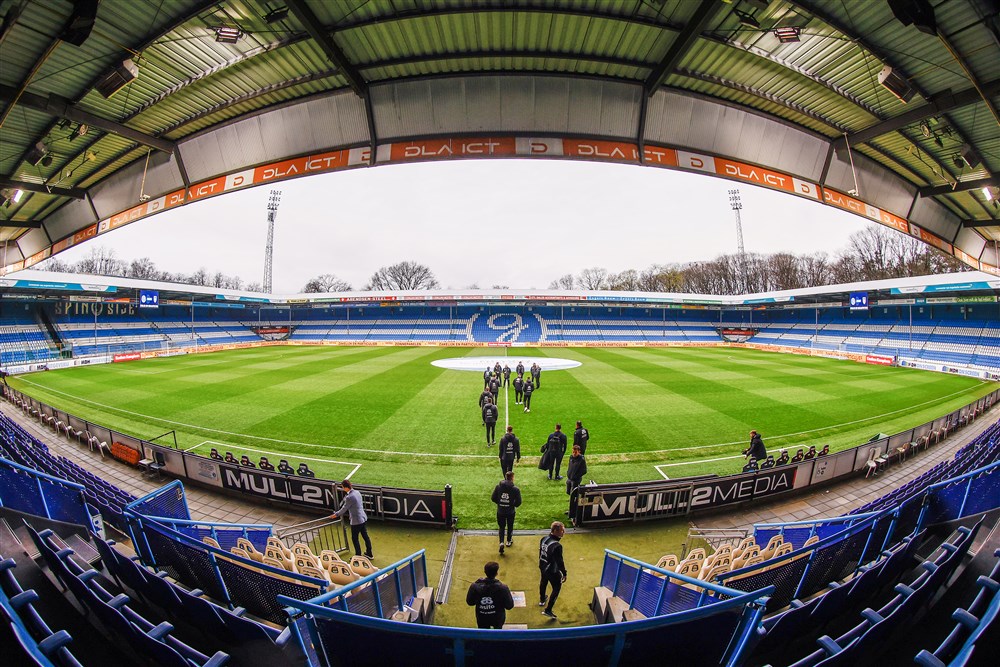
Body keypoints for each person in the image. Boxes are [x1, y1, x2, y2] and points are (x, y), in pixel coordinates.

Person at [330, 479, 374, 558]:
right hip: (363, 518)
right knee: (365, 536)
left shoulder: (349, 497)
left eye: (343, 488)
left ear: (345, 487)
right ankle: (369, 553)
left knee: (355, 538)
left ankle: (358, 556)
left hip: (356, 521)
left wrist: (336, 515)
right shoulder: (357, 492)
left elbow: (344, 508)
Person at [466, 561, 514, 629]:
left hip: (482, 618)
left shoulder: (475, 586)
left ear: (485, 572)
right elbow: (509, 606)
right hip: (498, 618)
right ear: (496, 573)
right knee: (498, 633)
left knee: (483, 635)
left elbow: (470, 602)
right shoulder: (503, 588)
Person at [538, 521, 567, 619]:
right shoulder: (557, 546)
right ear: (555, 531)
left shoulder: (544, 539)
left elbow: (540, 552)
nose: (564, 532)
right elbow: (560, 562)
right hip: (551, 570)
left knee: (543, 581)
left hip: (543, 565)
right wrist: (564, 573)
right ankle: (548, 610)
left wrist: (542, 564)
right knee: (557, 587)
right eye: (562, 530)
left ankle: (542, 599)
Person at [491, 470, 521, 553]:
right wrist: (512, 504)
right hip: (510, 512)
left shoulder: (498, 487)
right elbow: (519, 502)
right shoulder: (515, 489)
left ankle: (501, 542)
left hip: (500, 511)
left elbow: (493, 498)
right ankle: (508, 541)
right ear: (512, 478)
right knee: (510, 526)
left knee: (501, 527)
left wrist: (500, 503)